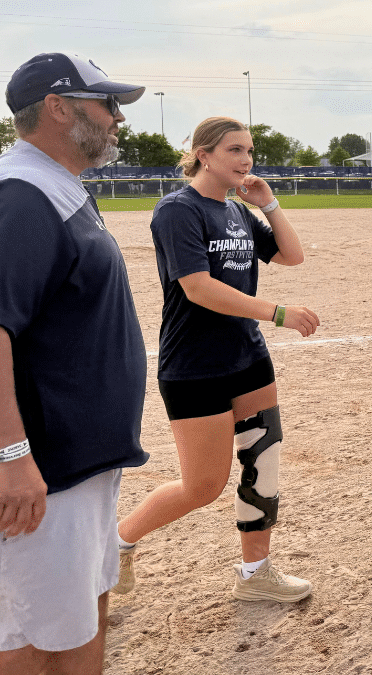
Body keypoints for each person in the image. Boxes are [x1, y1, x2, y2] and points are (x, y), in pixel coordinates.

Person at [115, 117, 318, 603]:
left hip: (247, 357)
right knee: (203, 484)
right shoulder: (176, 211)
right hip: (194, 365)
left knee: (261, 460)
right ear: (203, 155)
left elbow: (292, 256)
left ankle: (255, 574)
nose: (246, 160)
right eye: (235, 150)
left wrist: (268, 204)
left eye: (250, 151)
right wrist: (278, 312)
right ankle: (117, 542)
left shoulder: (238, 213)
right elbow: (198, 289)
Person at [0, 53, 148, 672]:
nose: (117, 118)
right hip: (44, 473)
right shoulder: (22, 197)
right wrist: (11, 457)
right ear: (58, 109)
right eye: (105, 103)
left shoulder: (53, 184)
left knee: (79, 618)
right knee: (38, 640)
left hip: (76, 462)